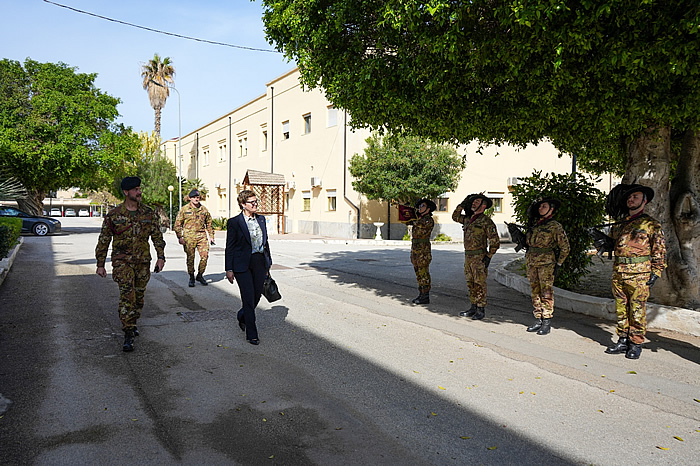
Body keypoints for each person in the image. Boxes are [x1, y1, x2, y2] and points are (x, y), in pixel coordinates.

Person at [95, 176, 166, 352]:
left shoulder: (148, 213)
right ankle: (128, 332)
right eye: (135, 189)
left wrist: (161, 256)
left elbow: (157, 236)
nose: (139, 192)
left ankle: (132, 322)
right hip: (122, 262)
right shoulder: (114, 215)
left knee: (139, 297)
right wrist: (100, 263)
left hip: (142, 262)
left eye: (139, 188)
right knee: (128, 295)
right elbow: (104, 239)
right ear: (126, 192)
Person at [604, 184, 666, 359]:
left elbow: (659, 249)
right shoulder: (620, 225)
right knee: (621, 308)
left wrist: (656, 271)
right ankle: (622, 340)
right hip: (619, 272)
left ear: (644, 200)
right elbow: (614, 244)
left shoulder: (651, 224)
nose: (631, 200)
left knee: (637, 309)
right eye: (629, 198)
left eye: (636, 197)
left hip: (639, 274)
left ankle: (636, 343)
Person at [225, 190, 272, 345]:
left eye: (256, 201)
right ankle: (252, 333)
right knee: (247, 296)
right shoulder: (234, 222)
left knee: (256, 296)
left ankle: (242, 315)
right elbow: (230, 247)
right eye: (252, 202)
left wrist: (268, 263)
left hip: (259, 261)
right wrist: (229, 269)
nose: (255, 204)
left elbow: (266, 243)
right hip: (241, 264)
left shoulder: (261, 220)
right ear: (243, 205)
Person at [524, 198, 570, 335]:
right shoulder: (535, 225)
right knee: (534, 290)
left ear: (551, 209)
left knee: (546, 292)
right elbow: (529, 244)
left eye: (544, 206)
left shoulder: (555, 226)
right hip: (532, 262)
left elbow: (565, 247)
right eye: (539, 206)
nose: (540, 208)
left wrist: (559, 264)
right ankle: (538, 318)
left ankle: (546, 321)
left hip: (546, 264)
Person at [452, 193, 500, 320]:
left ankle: (481, 308)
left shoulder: (486, 221)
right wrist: (462, 205)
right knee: (470, 282)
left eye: (477, 201)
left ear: (483, 205)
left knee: (479, 283)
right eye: (473, 201)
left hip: (479, 257)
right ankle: (473, 306)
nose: (474, 203)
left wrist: (489, 256)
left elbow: (495, 242)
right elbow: (455, 217)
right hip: (468, 256)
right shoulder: (468, 219)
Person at [174, 189, 216, 287]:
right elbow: (177, 224)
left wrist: (211, 236)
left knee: (204, 256)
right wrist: (180, 237)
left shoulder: (204, 210)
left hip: (202, 236)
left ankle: (200, 275)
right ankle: (191, 276)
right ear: (190, 198)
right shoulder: (184, 210)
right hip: (189, 237)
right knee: (190, 258)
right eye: (194, 197)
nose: (196, 199)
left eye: (197, 197)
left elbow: (209, 224)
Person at [407, 199, 436, 304]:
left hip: (423, 251)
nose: (419, 207)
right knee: (418, 272)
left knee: (423, 273)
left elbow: (417, 223)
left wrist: (410, 215)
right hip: (415, 249)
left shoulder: (428, 220)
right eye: (419, 206)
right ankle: (421, 293)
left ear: (428, 209)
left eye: (422, 206)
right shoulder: (419, 219)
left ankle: (425, 295)